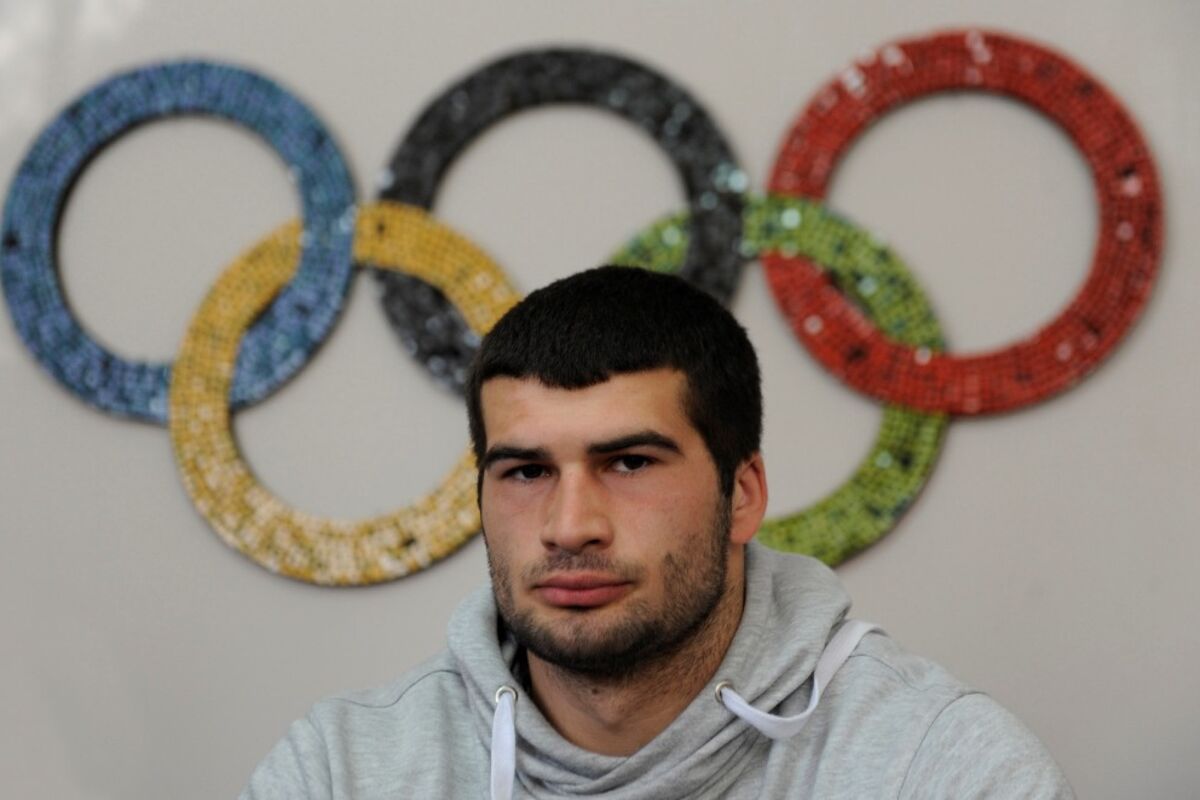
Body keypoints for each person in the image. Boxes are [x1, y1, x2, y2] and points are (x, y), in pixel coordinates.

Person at [242, 265, 1073, 799]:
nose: (570, 527)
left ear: (742, 494)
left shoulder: (938, 766)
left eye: (630, 463)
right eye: (526, 472)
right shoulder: (342, 771)